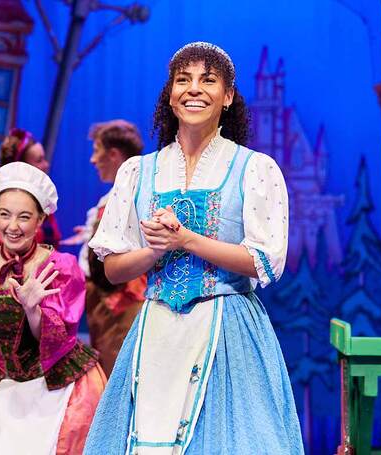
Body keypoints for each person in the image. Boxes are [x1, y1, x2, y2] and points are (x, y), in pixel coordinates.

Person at [84, 42, 303, 454]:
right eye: (183, 80)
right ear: (170, 94)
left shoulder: (253, 169)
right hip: (157, 328)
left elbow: (264, 262)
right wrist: (154, 251)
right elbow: (112, 269)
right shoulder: (140, 171)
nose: (194, 89)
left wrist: (187, 240)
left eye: (208, 80)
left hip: (227, 326)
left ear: (228, 96)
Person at [0, 161, 106, 454]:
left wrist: (33, 309)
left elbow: (58, 344)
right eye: (4, 214)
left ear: (40, 220)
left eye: (24, 217)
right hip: (7, 389)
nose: (12, 226)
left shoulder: (61, 267)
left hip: (58, 391)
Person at [66, 119, 147, 376]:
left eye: (96, 150)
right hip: (105, 302)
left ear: (113, 154)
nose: (92, 160)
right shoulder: (116, 194)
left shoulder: (136, 192)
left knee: (117, 376)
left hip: (120, 301)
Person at [0, 128, 61, 250]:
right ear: (22, 166)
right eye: (39, 160)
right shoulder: (1, 206)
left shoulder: (42, 202)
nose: (46, 165)